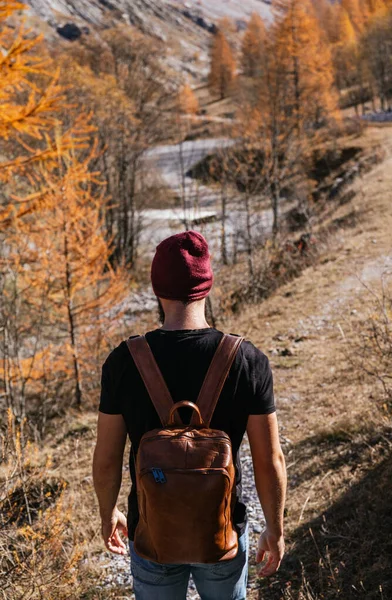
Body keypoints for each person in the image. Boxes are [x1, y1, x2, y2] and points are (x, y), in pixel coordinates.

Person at [93, 230, 287, 600]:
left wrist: (110, 514)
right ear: (207, 286)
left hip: (151, 532)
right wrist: (274, 530)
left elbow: (106, 459)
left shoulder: (123, 362)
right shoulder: (248, 361)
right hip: (223, 533)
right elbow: (270, 460)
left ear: (156, 289)